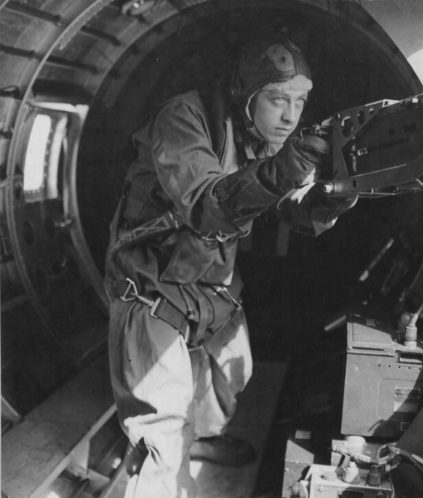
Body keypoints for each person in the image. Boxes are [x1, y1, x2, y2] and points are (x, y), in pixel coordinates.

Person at [104, 36, 357, 498]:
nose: (290, 116)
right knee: (162, 424)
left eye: (300, 101)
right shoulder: (184, 120)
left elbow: (290, 209)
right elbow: (206, 205)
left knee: (231, 376)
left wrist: (335, 195)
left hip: (211, 282)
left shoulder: (261, 138)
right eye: (278, 99)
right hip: (150, 282)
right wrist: (286, 166)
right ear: (247, 96)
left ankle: (202, 441)